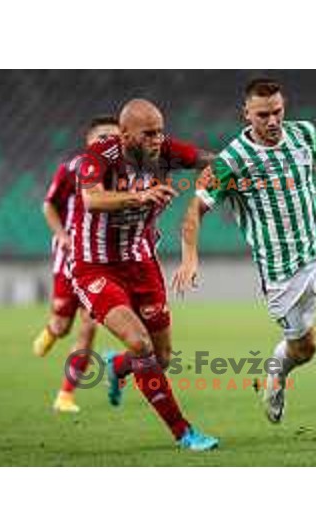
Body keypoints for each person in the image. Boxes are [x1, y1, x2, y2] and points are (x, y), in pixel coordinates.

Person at [173, 78, 316, 448]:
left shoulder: (305, 134)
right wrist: (190, 257)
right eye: (262, 115)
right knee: (304, 349)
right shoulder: (230, 162)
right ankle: (276, 373)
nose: (272, 121)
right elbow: (195, 209)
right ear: (246, 114)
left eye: (277, 112)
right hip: (281, 272)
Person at [69, 98, 218, 451]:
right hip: (95, 266)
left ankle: (118, 367)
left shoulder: (164, 151)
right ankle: (184, 432)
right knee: (140, 343)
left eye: (161, 132)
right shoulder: (98, 157)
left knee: (161, 358)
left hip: (141, 263)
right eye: (148, 134)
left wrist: (221, 172)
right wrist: (138, 196)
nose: (157, 140)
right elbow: (92, 200)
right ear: (123, 135)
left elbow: (213, 161)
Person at [33, 115, 121, 413]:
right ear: (88, 142)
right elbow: (48, 205)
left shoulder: (127, 172)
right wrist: (62, 236)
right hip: (69, 256)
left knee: (89, 326)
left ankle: (65, 395)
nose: (108, 142)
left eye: (114, 136)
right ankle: (52, 330)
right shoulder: (72, 168)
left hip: (99, 261)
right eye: (102, 137)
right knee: (62, 325)